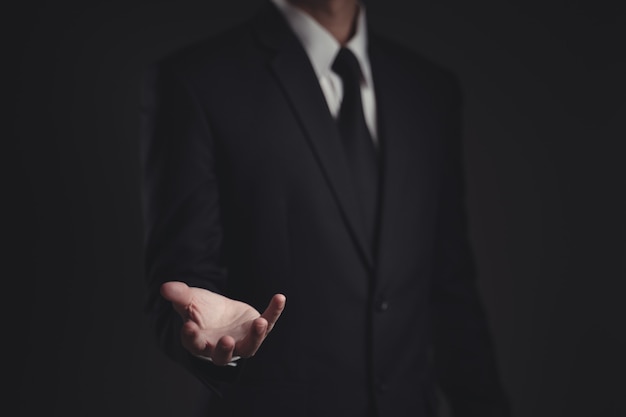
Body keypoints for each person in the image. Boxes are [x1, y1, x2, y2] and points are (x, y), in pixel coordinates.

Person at [140, 0, 510, 415]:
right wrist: (208, 341)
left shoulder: (431, 90)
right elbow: (181, 285)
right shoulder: (196, 81)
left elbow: (450, 286)